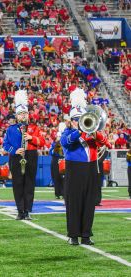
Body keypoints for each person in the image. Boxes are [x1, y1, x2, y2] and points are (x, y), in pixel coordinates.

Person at [60, 88, 111, 246]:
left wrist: (95, 133)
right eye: (75, 119)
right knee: (74, 202)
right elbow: (66, 142)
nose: (78, 121)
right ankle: (73, 235)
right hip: (74, 169)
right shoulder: (67, 132)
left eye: (80, 119)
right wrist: (79, 131)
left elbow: (106, 143)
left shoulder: (92, 132)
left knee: (89, 202)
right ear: (71, 121)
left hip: (91, 169)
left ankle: (86, 235)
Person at [3, 90, 45, 220]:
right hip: (16, 157)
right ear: (17, 116)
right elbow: (5, 145)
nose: (23, 116)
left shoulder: (34, 127)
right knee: (18, 184)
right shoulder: (10, 129)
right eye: (20, 114)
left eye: (25, 113)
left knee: (29, 183)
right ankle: (20, 210)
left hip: (31, 155)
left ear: (28, 114)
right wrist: (14, 151)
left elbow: (42, 142)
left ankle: (27, 210)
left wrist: (32, 138)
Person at [49, 123, 65, 199]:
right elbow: (52, 152)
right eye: (58, 137)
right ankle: (58, 193)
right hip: (56, 161)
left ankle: (64, 192)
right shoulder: (54, 144)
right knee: (56, 177)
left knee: (64, 177)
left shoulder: (65, 143)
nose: (59, 138)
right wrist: (58, 144)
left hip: (63, 160)